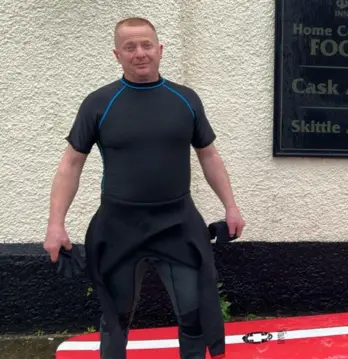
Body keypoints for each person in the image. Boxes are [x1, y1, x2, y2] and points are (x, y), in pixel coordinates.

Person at [42, 17, 244, 359]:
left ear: (160, 49)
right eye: (130, 47)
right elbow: (70, 165)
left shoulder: (186, 100)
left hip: (178, 224)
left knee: (194, 313)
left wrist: (231, 206)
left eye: (146, 45)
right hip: (120, 227)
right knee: (115, 318)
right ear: (116, 54)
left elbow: (209, 155)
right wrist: (55, 223)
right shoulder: (99, 103)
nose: (140, 53)